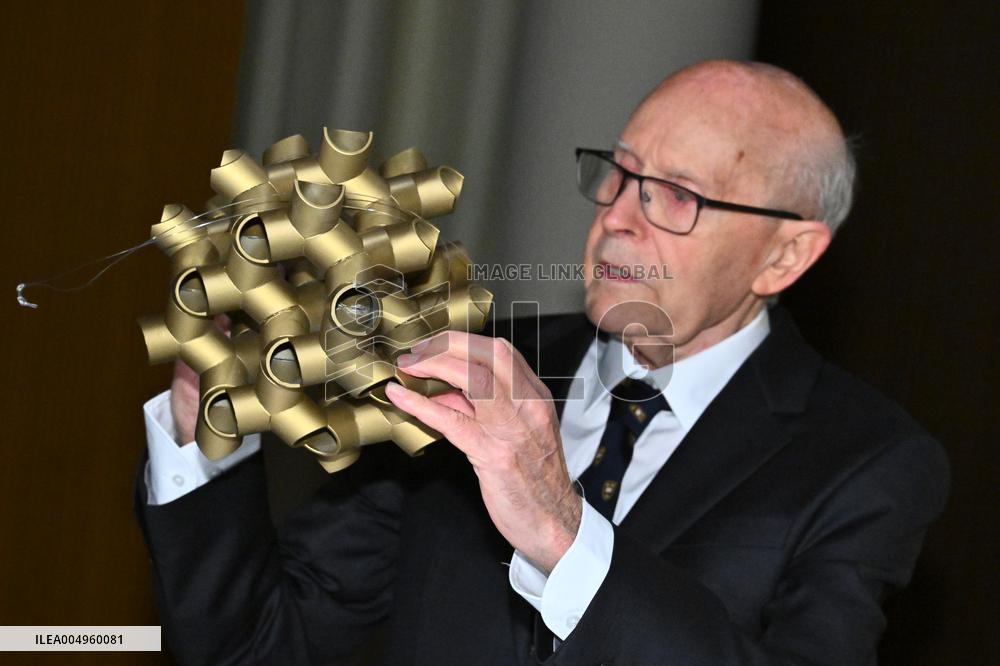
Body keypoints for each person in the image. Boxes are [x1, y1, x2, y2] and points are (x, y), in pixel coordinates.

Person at [137, 60, 949, 665]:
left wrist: (563, 534)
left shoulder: (865, 462)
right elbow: (257, 647)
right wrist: (204, 416)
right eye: (619, 173)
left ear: (784, 257)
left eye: (678, 195)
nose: (619, 217)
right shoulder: (480, 370)